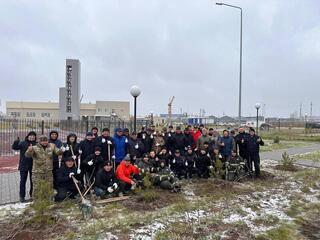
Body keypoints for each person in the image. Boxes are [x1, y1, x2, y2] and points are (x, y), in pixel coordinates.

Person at [25, 135, 62, 201]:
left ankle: (49, 201)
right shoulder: (34, 147)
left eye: (46, 141)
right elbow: (27, 155)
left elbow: (58, 152)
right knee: (37, 187)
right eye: (43, 141)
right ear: (39, 141)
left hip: (48, 171)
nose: (45, 142)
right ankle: (37, 202)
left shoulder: (51, 146)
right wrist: (29, 150)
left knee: (49, 186)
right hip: (37, 172)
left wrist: (62, 149)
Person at [12, 131, 37, 202]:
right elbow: (15, 147)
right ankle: (22, 196)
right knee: (23, 181)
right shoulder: (23, 143)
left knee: (33, 181)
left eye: (33, 136)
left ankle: (32, 194)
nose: (32, 137)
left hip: (34, 165)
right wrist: (16, 142)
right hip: (23, 165)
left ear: (35, 137)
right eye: (30, 135)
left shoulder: (37, 144)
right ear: (28, 136)